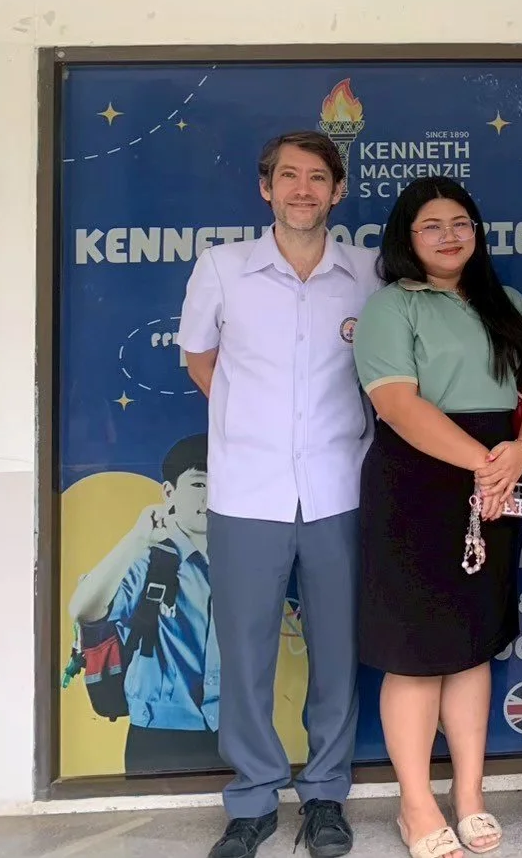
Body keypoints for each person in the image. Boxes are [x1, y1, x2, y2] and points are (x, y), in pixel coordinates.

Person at [178, 131, 380, 858]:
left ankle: (325, 795)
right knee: (246, 650)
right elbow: (201, 359)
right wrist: (252, 418)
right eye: (288, 177)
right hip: (247, 493)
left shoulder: (368, 272)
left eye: (317, 177)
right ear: (265, 189)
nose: (303, 189)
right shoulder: (224, 269)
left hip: (338, 490)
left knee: (337, 650)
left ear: (338, 190)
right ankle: (254, 797)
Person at [350, 177, 522, 858]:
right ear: (407, 238)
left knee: (471, 644)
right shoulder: (389, 307)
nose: (449, 235)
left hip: (496, 478)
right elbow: (399, 405)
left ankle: (468, 795)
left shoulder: (510, 304)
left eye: (460, 222)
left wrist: (519, 452)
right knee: (415, 652)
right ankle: (415, 805)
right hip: (418, 484)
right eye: (431, 225)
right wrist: (485, 465)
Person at [68, 434, 223, 776]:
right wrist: (138, 537)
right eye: (199, 483)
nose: (210, 495)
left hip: (233, 731)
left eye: (222, 481)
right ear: (169, 493)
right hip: (159, 734)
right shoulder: (151, 561)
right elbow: (83, 610)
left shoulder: (243, 563)